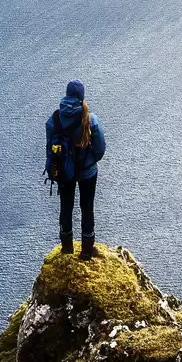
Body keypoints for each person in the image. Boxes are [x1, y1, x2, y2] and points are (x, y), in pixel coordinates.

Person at [45, 79, 107, 258]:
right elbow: (101, 148)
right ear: (82, 96)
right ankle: (86, 252)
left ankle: (66, 249)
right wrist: (90, 162)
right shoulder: (90, 119)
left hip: (64, 172)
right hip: (87, 172)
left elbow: (49, 148)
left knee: (66, 207)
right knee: (87, 207)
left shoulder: (54, 119)